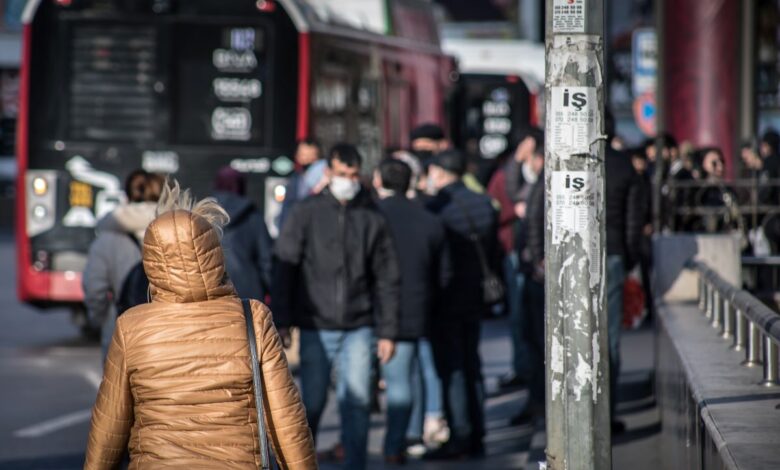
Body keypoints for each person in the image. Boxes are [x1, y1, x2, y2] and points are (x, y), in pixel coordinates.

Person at [84, 180, 317, 469]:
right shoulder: (252, 317)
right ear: (215, 253)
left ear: (152, 262)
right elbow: (286, 420)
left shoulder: (131, 326)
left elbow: (109, 426)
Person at [273, 143, 401, 470]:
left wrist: (388, 330)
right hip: (316, 324)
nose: (349, 180)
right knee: (311, 403)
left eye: (355, 174)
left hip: (359, 325)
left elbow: (387, 276)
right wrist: (284, 320)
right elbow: (285, 266)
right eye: (343, 174)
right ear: (329, 172)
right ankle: (300, 463)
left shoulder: (371, 215)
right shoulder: (306, 212)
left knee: (357, 403)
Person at [372, 158, 452, 463]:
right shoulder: (430, 220)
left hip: (375, 309)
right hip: (418, 308)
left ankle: (394, 442)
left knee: (395, 382)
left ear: (379, 180)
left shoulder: (371, 216)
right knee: (410, 376)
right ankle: (411, 437)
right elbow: (444, 273)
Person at [423, 149, 499, 459]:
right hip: (476, 293)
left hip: (446, 297)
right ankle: (478, 434)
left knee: (453, 368)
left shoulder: (437, 207)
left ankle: (461, 434)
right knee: (473, 364)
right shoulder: (482, 203)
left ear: (440, 173)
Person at [82, 170, 163, 361]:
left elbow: (94, 288)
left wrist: (100, 320)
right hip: (166, 330)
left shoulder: (107, 237)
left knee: (119, 389)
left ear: (127, 195)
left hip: (122, 331)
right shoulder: (176, 228)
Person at [486, 128, 543, 391]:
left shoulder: (538, 183)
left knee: (527, 320)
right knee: (522, 319)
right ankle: (527, 372)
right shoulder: (516, 178)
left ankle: (530, 374)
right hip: (519, 253)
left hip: (529, 257)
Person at [213, 167, 273, 300]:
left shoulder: (203, 215)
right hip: (249, 292)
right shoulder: (252, 216)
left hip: (211, 290)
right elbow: (266, 259)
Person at [277, 138, 322, 229]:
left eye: (311, 156)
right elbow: (286, 210)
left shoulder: (324, 181)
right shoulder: (294, 179)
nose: (307, 159)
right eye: (303, 155)